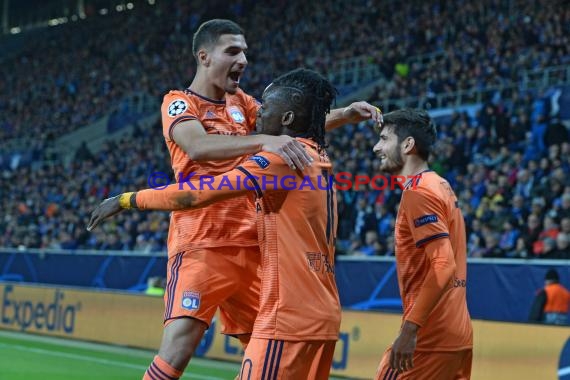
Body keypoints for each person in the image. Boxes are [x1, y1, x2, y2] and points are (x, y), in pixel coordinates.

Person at [91, 18, 379, 379]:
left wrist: (343, 114)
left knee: (268, 346)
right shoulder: (179, 102)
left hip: (252, 245)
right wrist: (262, 142)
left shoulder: (241, 102)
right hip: (202, 243)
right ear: (204, 56)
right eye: (232, 51)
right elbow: (198, 147)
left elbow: (289, 123)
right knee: (178, 350)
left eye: (245, 51)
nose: (243, 58)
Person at [372, 109, 473, 379]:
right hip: (456, 333)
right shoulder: (440, 185)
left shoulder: (418, 192)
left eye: (384, 139)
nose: (376, 147)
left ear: (407, 145)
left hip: (431, 337)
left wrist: (409, 330)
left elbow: (443, 265)